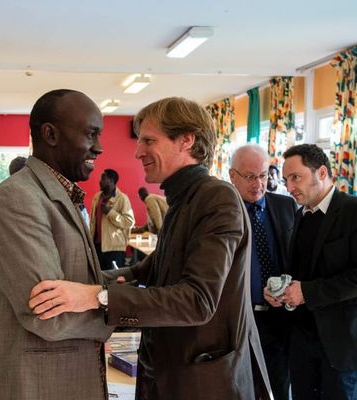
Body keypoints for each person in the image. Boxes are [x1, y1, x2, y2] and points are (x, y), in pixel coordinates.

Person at [29, 96, 272, 399]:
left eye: (148, 141)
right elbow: (146, 270)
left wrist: (97, 296)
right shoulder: (185, 198)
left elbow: (197, 301)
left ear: (186, 140)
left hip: (203, 382)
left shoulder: (215, 197)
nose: (138, 151)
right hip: (168, 373)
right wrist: (81, 283)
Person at [0, 89, 114, 400]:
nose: (100, 147)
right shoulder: (18, 198)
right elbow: (50, 314)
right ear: (50, 134)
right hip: (32, 386)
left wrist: (134, 278)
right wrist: (116, 303)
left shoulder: (62, 195)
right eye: (91, 134)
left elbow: (79, 284)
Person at [264, 144, 357, 399]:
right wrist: (280, 290)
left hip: (339, 344)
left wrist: (307, 292)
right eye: (286, 179)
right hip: (300, 342)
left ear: (322, 172)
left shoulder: (352, 211)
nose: (290, 186)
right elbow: (300, 271)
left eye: (296, 177)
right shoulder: (300, 214)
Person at [229, 144, 297, 400]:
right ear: (232, 175)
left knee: (279, 386)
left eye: (263, 175)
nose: (258, 184)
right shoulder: (223, 211)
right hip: (241, 318)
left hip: (281, 318)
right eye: (249, 176)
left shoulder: (285, 206)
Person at [90, 169, 135, 269]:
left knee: (114, 281)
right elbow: (93, 222)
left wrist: (110, 212)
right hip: (97, 247)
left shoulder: (122, 198)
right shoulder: (97, 197)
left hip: (115, 250)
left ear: (111, 180)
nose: (99, 181)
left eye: (103, 178)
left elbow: (129, 222)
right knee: (99, 280)